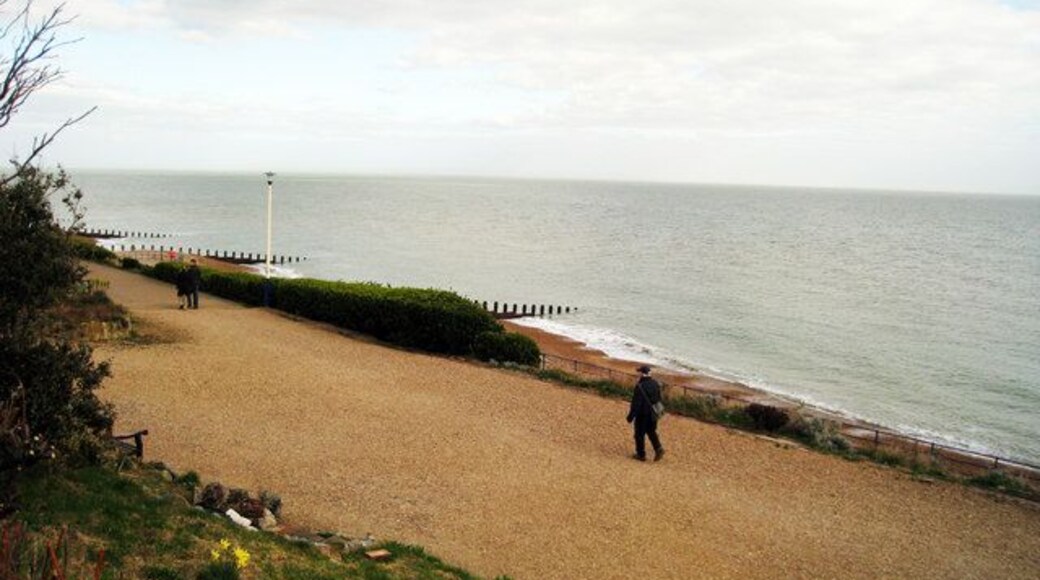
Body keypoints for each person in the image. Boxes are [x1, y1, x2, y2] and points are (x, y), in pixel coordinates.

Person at [626, 365, 665, 462]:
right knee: (651, 431)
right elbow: (658, 398)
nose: (638, 374)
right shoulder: (655, 383)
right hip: (653, 413)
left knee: (639, 434)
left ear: (642, 373)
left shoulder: (640, 386)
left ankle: (641, 454)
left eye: (639, 372)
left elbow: (636, 403)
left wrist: (631, 416)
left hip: (642, 414)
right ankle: (658, 448)